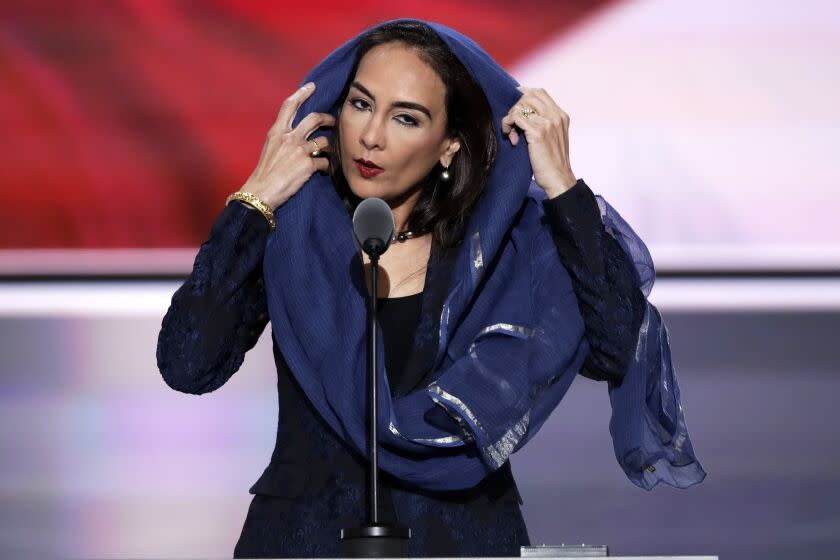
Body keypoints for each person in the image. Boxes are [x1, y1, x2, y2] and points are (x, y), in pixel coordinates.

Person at [156, 19, 705, 558]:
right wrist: (255, 199)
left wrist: (560, 183)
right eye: (361, 104)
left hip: (460, 537)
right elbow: (189, 363)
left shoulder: (508, 251)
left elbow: (615, 344)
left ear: (449, 147)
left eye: (407, 118)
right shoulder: (297, 236)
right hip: (304, 536)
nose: (371, 136)